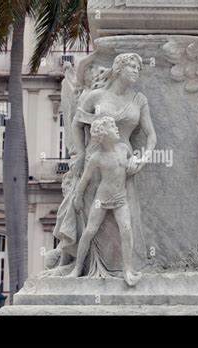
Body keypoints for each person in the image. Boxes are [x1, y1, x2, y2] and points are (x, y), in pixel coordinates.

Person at [44, 53, 156, 278]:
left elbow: (151, 135)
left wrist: (143, 159)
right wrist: (82, 153)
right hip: (97, 159)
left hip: (124, 163)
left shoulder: (139, 100)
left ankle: (124, 269)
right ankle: (80, 266)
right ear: (118, 69)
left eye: (138, 68)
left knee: (125, 225)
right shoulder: (96, 96)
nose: (136, 71)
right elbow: (76, 123)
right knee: (89, 223)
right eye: (132, 66)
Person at [69, 117, 141, 286]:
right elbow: (85, 180)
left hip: (120, 199)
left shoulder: (123, 149)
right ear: (103, 135)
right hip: (101, 199)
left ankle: (128, 269)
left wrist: (134, 162)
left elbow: (135, 163)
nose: (117, 129)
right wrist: (78, 197)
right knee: (89, 231)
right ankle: (77, 268)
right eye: (112, 127)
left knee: (126, 230)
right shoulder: (97, 158)